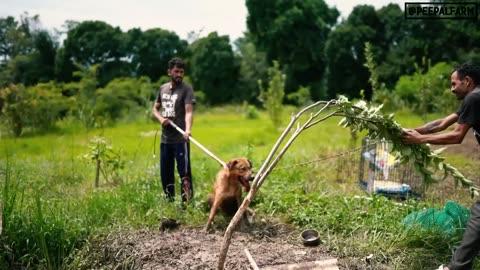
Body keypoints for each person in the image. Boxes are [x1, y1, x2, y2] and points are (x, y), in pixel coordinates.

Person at [402, 63, 480, 270]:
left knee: (478, 215)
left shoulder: (474, 97)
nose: (452, 88)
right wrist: (408, 132)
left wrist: (420, 140)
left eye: (454, 84)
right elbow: (442, 124)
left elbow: (457, 136)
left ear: (467, 81)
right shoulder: (473, 98)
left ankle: (457, 267)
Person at [152, 57, 196, 203]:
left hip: (180, 139)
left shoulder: (186, 89)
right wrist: (161, 119)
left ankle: (187, 203)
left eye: (181, 72)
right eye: (176, 71)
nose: (179, 74)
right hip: (166, 139)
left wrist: (187, 130)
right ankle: (169, 201)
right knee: (166, 172)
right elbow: (155, 109)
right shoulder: (162, 88)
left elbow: (189, 112)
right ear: (169, 72)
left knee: (184, 172)